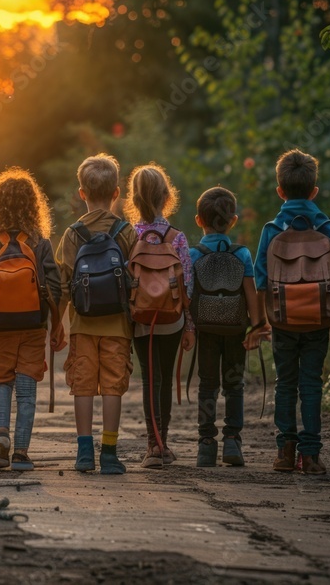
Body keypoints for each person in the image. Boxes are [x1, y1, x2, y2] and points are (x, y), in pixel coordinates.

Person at [249, 149, 330, 475]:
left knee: (285, 383)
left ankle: (284, 451)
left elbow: (261, 278)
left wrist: (263, 320)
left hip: (283, 319)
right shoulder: (326, 227)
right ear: (314, 191)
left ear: (280, 191)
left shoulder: (271, 229)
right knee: (311, 383)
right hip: (318, 318)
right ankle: (310, 456)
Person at [55, 154, 138, 474]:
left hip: (82, 323)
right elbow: (136, 279)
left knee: (83, 386)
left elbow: (63, 285)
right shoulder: (126, 231)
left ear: (81, 193)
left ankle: (84, 452)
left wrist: (57, 325)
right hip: (118, 325)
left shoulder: (73, 234)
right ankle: (110, 452)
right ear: (117, 192)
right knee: (113, 387)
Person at [0, 168, 64, 471]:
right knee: (26, 388)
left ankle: (1, 434)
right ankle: (22, 452)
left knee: (0, 381)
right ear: (34, 205)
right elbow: (55, 288)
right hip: (33, 325)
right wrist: (57, 324)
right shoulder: (40, 243)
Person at [125, 163, 195, 468]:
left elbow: (123, 282)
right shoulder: (177, 238)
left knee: (150, 379)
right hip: (172, 318)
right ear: (167, 197)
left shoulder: (129, 236)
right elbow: (188, 285)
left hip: (141, 320)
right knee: (165, 380)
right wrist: (190, 325)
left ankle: (152, 447)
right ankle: (163, 442)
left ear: (133, 198)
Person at [188, 187, 262, 467]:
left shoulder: (195, 255)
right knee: (234, 385)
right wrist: (257, 328)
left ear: (198, 220)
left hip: (206, 329)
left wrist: (189, 328)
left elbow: (189, 295)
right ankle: (233, 441)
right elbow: (251, 293)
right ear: (234, 220)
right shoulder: (242, 254)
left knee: (207, 386)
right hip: (235, 331)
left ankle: (206, 445)